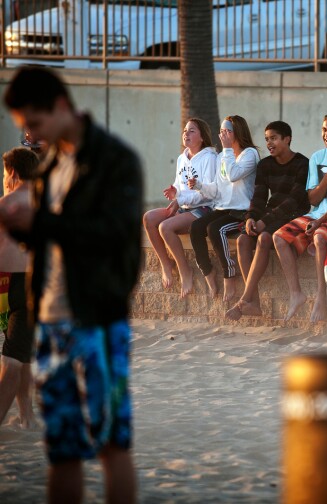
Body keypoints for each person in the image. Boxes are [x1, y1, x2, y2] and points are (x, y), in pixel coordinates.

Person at [1, 66, 142, 503]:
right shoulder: (53, 163)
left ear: (61, 107)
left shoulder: (113, 159)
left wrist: (41, 222)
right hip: (51, 318)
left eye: (34, 124)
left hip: (98, 319)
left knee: (111, 446)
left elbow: (116, 239)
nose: (30, 136)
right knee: (61, 450)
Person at [272, 112, 327, 322]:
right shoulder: (317, 157)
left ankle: (321, 297)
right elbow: (313, 198)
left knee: (320, 239)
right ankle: (296, 293)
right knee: (279, 238)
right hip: (316, 214)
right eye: (324, 129)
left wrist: (320, 221)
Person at [225, 121, 309, 320]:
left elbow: (295, 199)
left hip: (294, 214)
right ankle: (254, 302)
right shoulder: (265, 165)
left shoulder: (302, 163)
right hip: (271, 213)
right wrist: (251, 218)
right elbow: (259, 197)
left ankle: (244, 299)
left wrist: (265, 222)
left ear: (287, 139)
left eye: (274, 138)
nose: (269, 143)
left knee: (263, 238)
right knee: (243, 240)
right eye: (267, 139)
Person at [188, 115, 260, 302]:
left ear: (238, 132)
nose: (223, 135)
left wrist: (227, 149)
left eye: (228, 131)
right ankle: (208, 271)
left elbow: (233, 175)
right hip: (223, 208)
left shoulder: (250, 154)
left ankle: (229, 275)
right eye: (221, 131)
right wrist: (199, 185)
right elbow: (216, 189)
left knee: (215, 229)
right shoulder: (223, 156)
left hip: (242, 211)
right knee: (196, 227)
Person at [143, 118, 217, 298]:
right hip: (185, 206)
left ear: (202, 137)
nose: (186, 133)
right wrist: (175, 198)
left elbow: (207, 193)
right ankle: (166, 263)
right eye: (185, 130)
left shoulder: (210, 158)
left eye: (192, 130)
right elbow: (180, 185)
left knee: (165, 227)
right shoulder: (181, 158)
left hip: (205, 208)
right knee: (149, 218)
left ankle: (185, 271)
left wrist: (180, 198)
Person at [0, 147, 39, 429]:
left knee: (16, 356)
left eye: (4, 173)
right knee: (16, 358)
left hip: (4, 287)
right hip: (28, 286)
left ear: (12, 172)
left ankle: (24, 416)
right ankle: (23, 416)